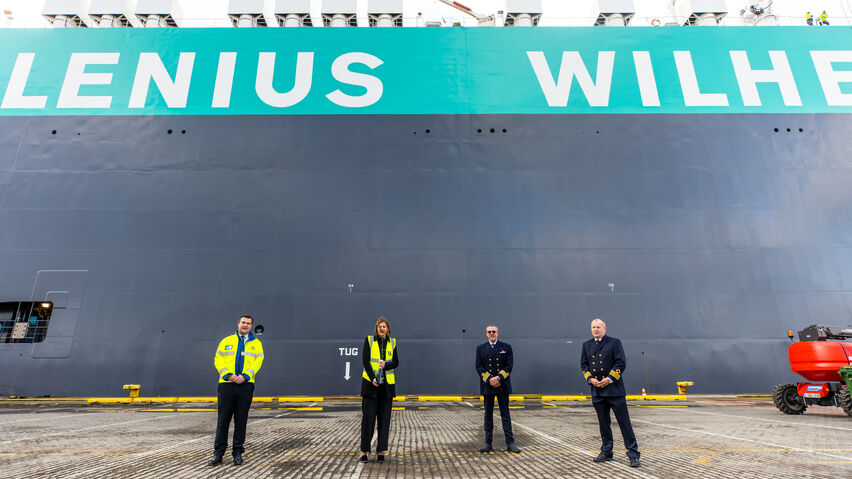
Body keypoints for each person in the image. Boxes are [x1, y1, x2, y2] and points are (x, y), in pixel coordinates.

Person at [581, 318, 640, 467]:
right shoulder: (586, 345)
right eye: (593, 327)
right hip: (597, 391)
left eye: (598, 327)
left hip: (614, 390)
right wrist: (590, 379)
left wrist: (609, 379)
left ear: (604, 329)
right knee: (604, 424)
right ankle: (606, 451)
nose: (595, 329)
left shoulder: (614, 342)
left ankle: (633, 454)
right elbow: (584, 365)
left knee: (624, 423)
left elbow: (621, 362)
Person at [208, 315, 264, 466]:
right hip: (226, 385)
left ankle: (237, 453)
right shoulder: (226, 341)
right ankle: (218, 453)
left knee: (241, 420)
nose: (245, 325)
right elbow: (218, 359)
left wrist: (245, 376)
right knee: (223, 420)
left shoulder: (256, 344)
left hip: (245, 386)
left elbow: (258, 362)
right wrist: (228, 375)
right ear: (238, 324)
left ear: (251, 326)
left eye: (248, 323)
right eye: (243, 322)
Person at [359, 317, 399, 463]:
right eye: (380, 327)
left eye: (384, 327)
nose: (382, 329)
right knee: (368, 420)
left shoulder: (392, 342)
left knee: (384, 421)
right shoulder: (369, 340)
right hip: (371, 387)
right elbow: (365, 361)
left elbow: (396, 362)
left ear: (388, 329)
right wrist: (372, 378)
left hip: (386, 389)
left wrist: (385, 365)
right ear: (376, 328)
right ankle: (363, 451)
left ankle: (381, 451)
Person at [475, 325, 521, 454]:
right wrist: (490, 379)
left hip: (502, 385)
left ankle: (510, 443)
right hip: (488, 386)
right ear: (486, 334)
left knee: (505, 415)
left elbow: (509, 366)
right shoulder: (480, 348)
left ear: (497, 333)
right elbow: (478, 366)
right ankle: (487, 443)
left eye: (493, 331)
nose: (491, 333)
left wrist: (499, 378)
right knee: (488, 415)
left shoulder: (506, 347)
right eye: (489, 332)